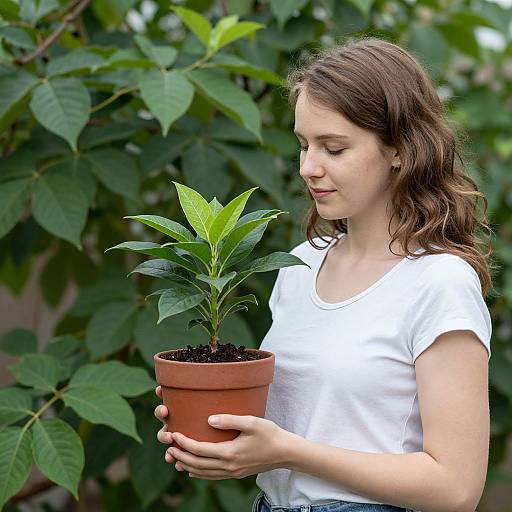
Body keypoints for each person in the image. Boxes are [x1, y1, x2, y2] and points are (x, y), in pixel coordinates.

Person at [154, 36, 496, 512]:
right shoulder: (299, 265)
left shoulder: (439, 283)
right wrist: (207, 420)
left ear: (399, 148)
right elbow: (304, 420)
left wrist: (288, 451)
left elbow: (456, 489)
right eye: (303, 145)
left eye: (333, 148)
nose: (308, 167)